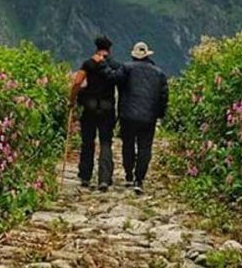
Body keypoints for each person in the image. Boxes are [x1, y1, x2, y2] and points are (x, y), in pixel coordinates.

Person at [69, 35, 121, 191]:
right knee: (106, 142)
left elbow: (77, 81)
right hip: (107, 108)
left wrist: (72, 99)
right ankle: (104, 179)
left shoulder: (88, 63)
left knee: (88, 142)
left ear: (96, 47)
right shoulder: (113, 64)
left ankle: (85, 176)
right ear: (109, 49)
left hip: (90, 107)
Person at [117, 41, 168, 195]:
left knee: (128, 145)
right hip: (149, 117)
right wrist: (159, 113)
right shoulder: (159, 73)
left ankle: (128, 175)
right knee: (145, 147)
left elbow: (116, 81)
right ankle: (139, 179)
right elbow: (164, 96)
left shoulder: (126, 68)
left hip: (128, 115)